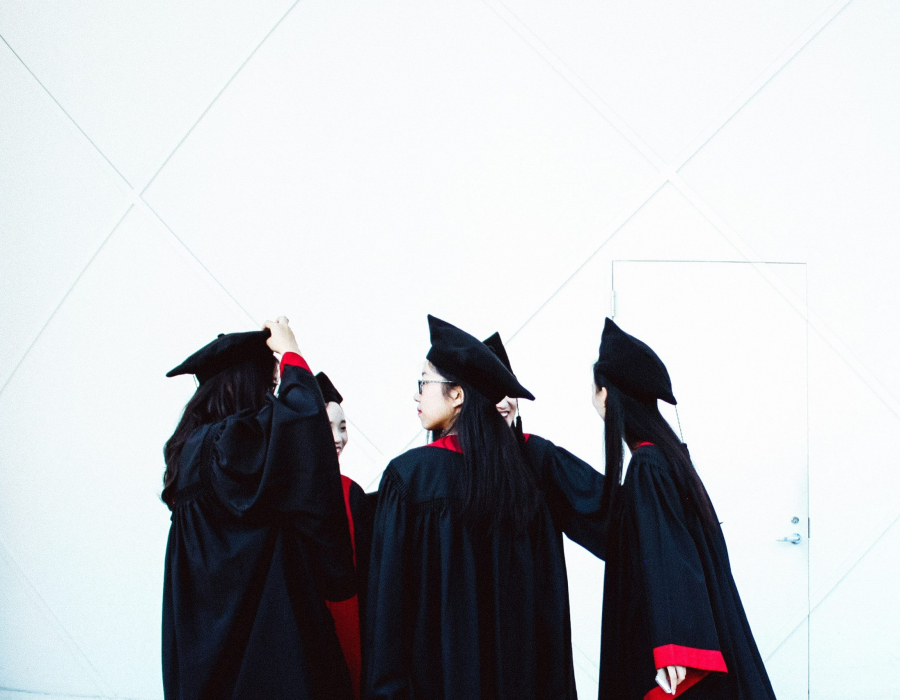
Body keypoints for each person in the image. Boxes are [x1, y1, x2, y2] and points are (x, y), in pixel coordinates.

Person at [365, 315, 599, 699]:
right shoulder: (527, 473)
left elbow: (389, 613)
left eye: (424, 383)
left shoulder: (411, 478)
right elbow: (615, 518)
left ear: (457, 395)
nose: (417, 394)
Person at [161, 317, 356, 700]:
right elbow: (300, 425)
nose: (271, 398)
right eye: (268, 386)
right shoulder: (229, 443)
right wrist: (291, 355)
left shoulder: (187, 452)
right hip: (262, 649)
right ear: (240, 385)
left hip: (203, 650)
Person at [591, 318, 776, 700]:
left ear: (607, 395)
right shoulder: (667, 458)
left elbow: (670, 555)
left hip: (661, 644)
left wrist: (674, 646)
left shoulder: (647, 465)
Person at [316, 371, 373, 700]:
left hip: (350, 626)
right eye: (328, 428)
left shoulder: (351, 493)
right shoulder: (280, 495)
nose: (338, 438)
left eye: (343, 427)